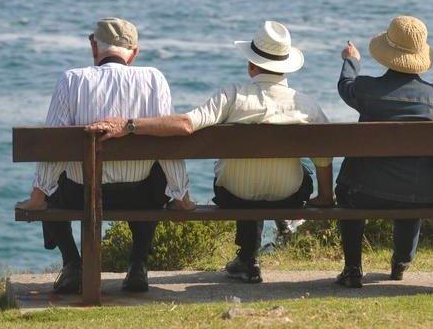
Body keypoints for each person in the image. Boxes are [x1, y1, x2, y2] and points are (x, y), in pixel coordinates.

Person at [87, 21, 334, 284]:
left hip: (234, 196)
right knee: (300, 171)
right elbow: (325, 153)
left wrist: (129, 125)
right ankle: (255, 252)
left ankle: (248, 259)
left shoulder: (233, 96)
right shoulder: (306, 105)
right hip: (288, 198)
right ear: (285, 66)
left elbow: (186, 124)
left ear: (251, 65)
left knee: (239, 177)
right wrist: (325, 197)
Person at [15, 17, 194, 294]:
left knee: (53, 181)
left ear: (93, 47)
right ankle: (137, 265)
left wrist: (39, 197)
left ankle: (73, 264)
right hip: (140, 196)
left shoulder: (71, 80)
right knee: (156, 172)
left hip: (80, 194)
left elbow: (54, 149)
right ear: (134, 52)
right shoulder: (154, 79)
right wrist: (180, 196)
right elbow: (166, 146)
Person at [334, 16, 433, 288]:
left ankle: (352, 268)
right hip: (419, 194)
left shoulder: (365, 90)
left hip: (363, 193)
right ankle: (401, 261)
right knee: (412, 181)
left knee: (346, 188)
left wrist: (351, 60)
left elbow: (345, 86)